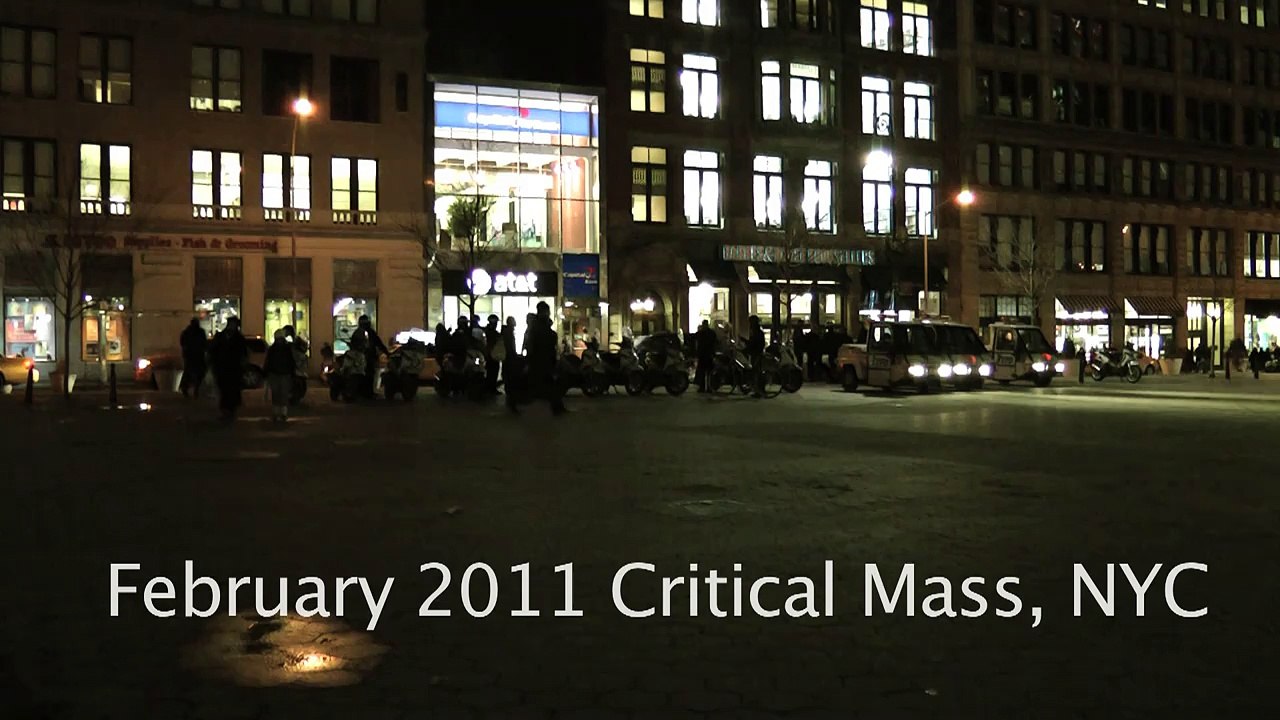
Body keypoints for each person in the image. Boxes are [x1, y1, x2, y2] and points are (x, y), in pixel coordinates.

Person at [523, 301, 566, 416]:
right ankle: (555, 408)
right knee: (548, 385)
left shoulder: (537, 326)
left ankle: (555, 407)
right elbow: (533, 344)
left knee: (547, 384)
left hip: (541, 359)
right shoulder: (539, 327)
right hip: (542, 360)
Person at [208, 317, 247, 420]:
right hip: (222, 368)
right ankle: (225, 411)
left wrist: (242, 366)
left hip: (234, 369)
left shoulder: (239, 339)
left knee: (232, 390)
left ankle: (230, 411)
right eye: (231, 324)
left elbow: (243, 354)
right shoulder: (221, 336)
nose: (232, 326)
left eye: (234, 324)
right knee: (223, 390)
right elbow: (213, 351)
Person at [348, 315, 387, 398]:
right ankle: (364, 391)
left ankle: (368, 392)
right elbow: (353, 344)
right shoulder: (359, 332)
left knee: (369, 373)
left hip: (368, 356)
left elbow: (378, 343)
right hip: (359, 356)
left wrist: (386, 352)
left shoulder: (369, 333)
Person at [264, 329, 295, 422]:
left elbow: (268, 362)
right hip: (279, 374)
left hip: (280, 374)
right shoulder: (284, 349)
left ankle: (280, 413)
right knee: (279, 394)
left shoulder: (275, 349)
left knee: (280, 394)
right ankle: (279, 413)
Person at [179, 318, 208, 398]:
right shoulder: (197, 332)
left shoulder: (187, 332)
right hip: (195, 355)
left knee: (191, 372)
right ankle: (192, 388)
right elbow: (204, 343)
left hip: (193, 356)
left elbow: (183, 343)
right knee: (195, 372)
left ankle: (190, 388)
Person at [502, 316, 520, 411]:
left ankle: (510, 399)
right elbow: (510, 347)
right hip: (509, 358)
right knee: (511, 379)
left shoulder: (507, 332)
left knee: (509, 379)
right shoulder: (508, 333)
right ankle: (511, 400)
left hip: (509, 358)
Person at [693, 320, 717, 393]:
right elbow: (715, 343)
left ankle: (702, 387)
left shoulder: (701, 333)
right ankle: (709, 387)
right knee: (709, 372)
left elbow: (693, 337)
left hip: (703, 355)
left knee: (702, 372)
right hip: (708, 355)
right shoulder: (712, 333)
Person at [746, 315, 766, 397]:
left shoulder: (757, 332)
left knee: (757, 372)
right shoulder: (756, 331)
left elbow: (755, 343)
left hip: (757, 354)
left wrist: (747, 343)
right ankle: (758, 390)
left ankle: (759, 391)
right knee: (756, 372)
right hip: (756, 353)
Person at [484, 314, 501, 394]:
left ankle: (491, 388)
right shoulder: (490, 332)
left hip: (490, 354)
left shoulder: (488, 331)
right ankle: (491, 388)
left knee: (492, 372)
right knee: (492, 372)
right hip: (491, 354)